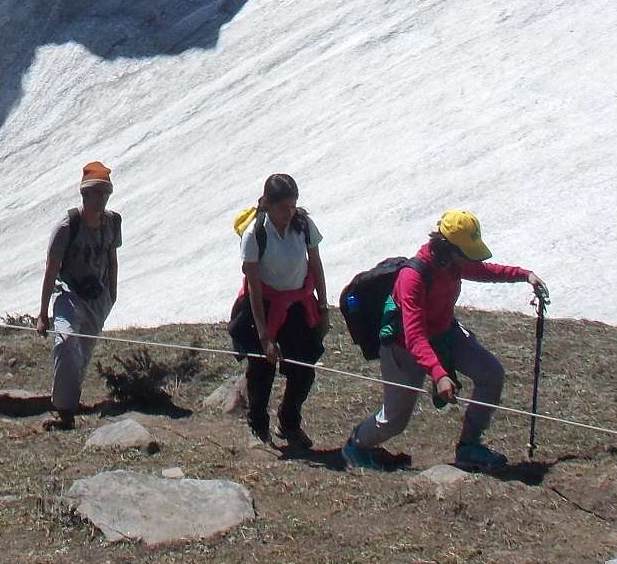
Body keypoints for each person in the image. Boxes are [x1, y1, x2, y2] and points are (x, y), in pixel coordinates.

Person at [342, 210, 547, 473]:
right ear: (448, 248)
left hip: (444, 332)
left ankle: (469, 445)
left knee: (490, 373)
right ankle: (357, 445)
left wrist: (524, 275)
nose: (469, 259)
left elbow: (483, 270)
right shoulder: (413, 277)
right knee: (394, 420)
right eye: (466, 252)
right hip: (403, 347)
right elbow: (414, 335)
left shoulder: (453, 262)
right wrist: (438, 374)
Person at [226, 175, 328, 448]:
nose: (289, 213)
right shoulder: (254, 234)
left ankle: (289, 420)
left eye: (292, 206)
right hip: (264, 306)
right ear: (268, 205)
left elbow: (315, 264)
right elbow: (254, 287)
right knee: (261, 369)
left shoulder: (303, 225)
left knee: (303, 369)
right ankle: (258, 425)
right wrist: (264, 335)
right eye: (284, 207)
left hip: (296, 306)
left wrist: (322, 306)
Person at [36, 160, 122, 431]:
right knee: (65, 340)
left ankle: (70, 405)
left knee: (83, 351)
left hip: (98, 295)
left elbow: (112, 256)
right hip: (69, 293)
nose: (101, 199)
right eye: (96, 193)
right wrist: (42, 314)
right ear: (84, 194)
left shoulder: (112, 222)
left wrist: (112, 294)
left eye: (105, 194)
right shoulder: (67, 226)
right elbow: (51, 269)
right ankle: (63, 409)